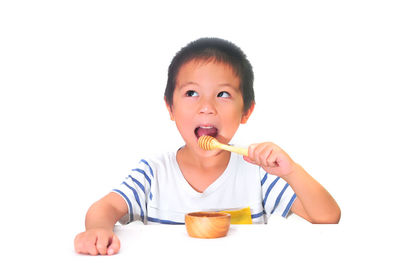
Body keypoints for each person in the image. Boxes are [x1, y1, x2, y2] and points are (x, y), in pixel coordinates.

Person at [74, 37, 341, 256]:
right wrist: (98, 230)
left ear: (246, 111)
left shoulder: (257, 173)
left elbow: (328, 218)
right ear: (170, 107)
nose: (206, 107)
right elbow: (104, 208)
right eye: (191, 93)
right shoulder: (153, 173)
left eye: (223, 94)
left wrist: (291, 171)